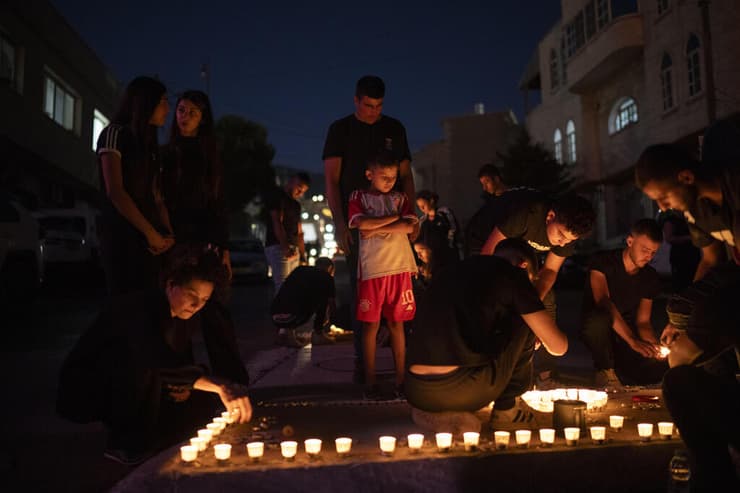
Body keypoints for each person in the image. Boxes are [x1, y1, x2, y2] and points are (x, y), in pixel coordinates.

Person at [56, 243, 252, 466]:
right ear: (171, 285)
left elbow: (180, 367)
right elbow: (157, 360)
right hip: (86, 387)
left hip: (133, 377)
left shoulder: (179, 317)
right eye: (191, 295)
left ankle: (154, 433)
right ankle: (124, 443)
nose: (197, 305)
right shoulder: (138, 310)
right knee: (146, 368)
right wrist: (220, 385)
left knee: (199, 400)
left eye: (205, 300)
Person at [404, 238, 569, 434]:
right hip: (464, 389)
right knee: (525, 319)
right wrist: (532, 307)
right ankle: (507, 411)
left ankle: (437, 414)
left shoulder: (450, 272)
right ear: (523, 266)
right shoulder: (514, 274)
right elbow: (559, 347)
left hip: (417, 392)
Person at [323, 75, 415, 383]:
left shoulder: (394, 128)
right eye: (367, 105)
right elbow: (332, 180)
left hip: (396, 225)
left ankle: (399, 367)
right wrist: (340, 224)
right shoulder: (340, 130)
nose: (373, 111)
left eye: (378, 106)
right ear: (356, 100)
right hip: (358, 222)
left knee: (397, 305)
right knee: (364, 299)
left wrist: (410, 212)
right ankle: (363, 365)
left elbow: (406, 175)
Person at [473, 188, 595, 387]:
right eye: (561, 235)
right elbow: (488, 256)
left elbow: (549, 273)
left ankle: (545, 374)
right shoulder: (525, 214)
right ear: (550, 216)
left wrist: (531, 308)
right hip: (484, 242)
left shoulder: (565, 234)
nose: (562, 243)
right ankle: (485, 368)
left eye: (569, 241)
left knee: (547, 300)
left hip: (519, 252)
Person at [660, 263, 740, 492]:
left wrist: (686, 333)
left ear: (734, 252)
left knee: (677, 382)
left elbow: (677, 361)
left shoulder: (728, 295)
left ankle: (719, 480)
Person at [348, 151, 418, 399]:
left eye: (393, 177)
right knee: (371, 326)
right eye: (384, 176)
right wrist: (392, 219)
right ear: (370, 174)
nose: (389, 181)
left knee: (398, 324)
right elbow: (360, 224)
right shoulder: (359, 196)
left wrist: (377, 225)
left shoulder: (401, 198)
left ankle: (401, 379)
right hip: (372, 270)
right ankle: (370, 381)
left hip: (399, 267)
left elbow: (409, 226)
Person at [96, 76, 175, 295]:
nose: (167, 109)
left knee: (149, 307)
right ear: (145, 103)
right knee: (124, 306)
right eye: (163, 102)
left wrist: (168, 233)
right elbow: (116, 191)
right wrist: (151, 234)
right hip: (121, 237)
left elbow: (157, 196)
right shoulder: (115, 134)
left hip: (151, 243)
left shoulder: (150, 147)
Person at [580, 219, 669, 392]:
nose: (649, 257)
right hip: (599, 327)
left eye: (653, 252)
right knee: (600, 319)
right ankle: (604, 370)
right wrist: (633, 341)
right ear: (630, 241)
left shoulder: (650, 276)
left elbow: (643, 322)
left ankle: (621, 369)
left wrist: (654, 347)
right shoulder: (603, 262)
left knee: (657, 369)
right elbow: (603, 302)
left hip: (627, 334)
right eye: (645, 250)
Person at [634, 140, 740, 281]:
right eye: (656, 201)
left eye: (664, 197)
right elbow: (710, 259)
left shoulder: (734, 184)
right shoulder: (695, 212)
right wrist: (689, 300)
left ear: (686, 177)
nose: (663, 207)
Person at [161, 90, 231, 279]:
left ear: (203, 119)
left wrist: (224, 248)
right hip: (171, 233)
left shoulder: (210, 155)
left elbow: (219, 200)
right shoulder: (166, 152)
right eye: (181, 110)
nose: (184, 117)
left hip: (202, 234)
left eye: (193, 113)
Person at [270, 257, 337, 348]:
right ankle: (318, 334)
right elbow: (331, 304)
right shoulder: (327, 277)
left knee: (294, 295)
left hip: (275, 317)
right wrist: (331, 319)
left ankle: (284, 333)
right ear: (330, 268)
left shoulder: (299, 269)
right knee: (324, 298)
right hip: (292, 317)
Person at [263, 172, 310, 293]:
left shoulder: (296, 205)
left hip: (293, 248)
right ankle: (281, 311)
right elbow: (277, 221)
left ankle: (288, 311)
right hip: (278, 246)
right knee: (283, 287)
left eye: (303, 191)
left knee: (293, 286)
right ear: (292, 180)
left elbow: (299, 231)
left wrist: (303, 255)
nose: (300, 193)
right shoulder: (277, 196)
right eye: (299, 188)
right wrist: (284, 247)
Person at [463, 163, 508, 257]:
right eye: (482, 184)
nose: (484, 188)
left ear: (496, 179)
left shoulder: (510, 199)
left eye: (486, 182)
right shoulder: (489, 204)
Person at [415, 189, 461, 273]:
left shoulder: (444, 213)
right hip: (433, 260)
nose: (421, 208)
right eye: (419, 206)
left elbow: (453, 229)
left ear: (431, 201)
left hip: (448, 256)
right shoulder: (423, 221)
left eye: (423, 205)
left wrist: (450, 246)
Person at [658, 209, 701, 293]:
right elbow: (669, 238)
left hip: (692, 255)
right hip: (680, 256)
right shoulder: (671, 221)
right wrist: (689, 238)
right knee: (680, 282)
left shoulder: (689, 219)